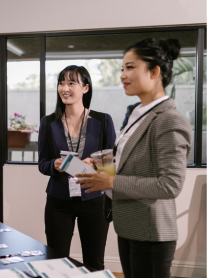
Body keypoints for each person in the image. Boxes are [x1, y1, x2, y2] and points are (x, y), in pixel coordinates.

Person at [76, 38, 193, 278]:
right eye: (122, 69)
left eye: (130, 67)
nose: (122, 75)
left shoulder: (169, 119)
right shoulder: (138, 113)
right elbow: (132, 158)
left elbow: (170, 185)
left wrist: (112, 183)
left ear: (154, 71)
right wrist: (102, 163)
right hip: (129, 225)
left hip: (151, 232)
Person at [38, 65, 116, 270]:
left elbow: (112, 164)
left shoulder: (103, 120)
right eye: (61, 83)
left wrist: (96, 163)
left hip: (94, 200)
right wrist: (54, 165)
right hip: (58, 201)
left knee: (94, 262)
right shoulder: (48, 123)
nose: (65, 88)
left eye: (72, 83)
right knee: (55, 261)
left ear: (85, 88)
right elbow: (42, 163)